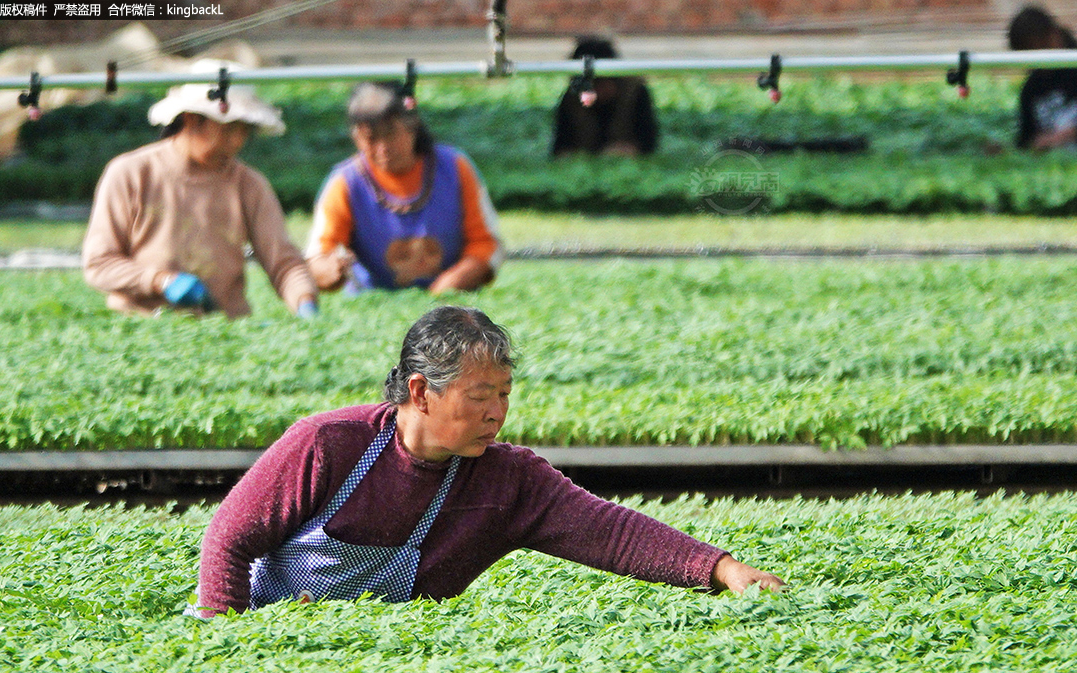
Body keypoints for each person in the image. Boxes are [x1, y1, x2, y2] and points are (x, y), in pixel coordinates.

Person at [190, 306, 784, 617]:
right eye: (480, 397)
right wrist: (233, 650)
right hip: (281, 646)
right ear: (421, 392)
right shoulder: (329, 444)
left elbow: (607, 529)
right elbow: (227, 540)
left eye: (504, 394)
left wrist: (721, 570)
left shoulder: (506, 479)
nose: (497, 413)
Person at [82, 61, 318, 319]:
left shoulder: (249, 185)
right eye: (228, 129)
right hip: (139, 323)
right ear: (191, 119)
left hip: (224, 327)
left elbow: (283, 262)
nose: (237, 142)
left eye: (244, 131)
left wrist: (304, 301)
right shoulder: (130, 174)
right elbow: (99, 264)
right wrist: (161, 281)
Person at [305, 81, 503, 294]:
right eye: (370, 139)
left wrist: (450, 285)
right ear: (356, 137)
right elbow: (317, 259)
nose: (383, 149)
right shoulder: (344, 182)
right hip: (372, 303)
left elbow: (486, 244)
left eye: (390, 134)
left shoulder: (456, 168)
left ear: (412, 125)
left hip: (452, 302)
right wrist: (330, 270)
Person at [552, 36, 660, 158]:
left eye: (599, 82)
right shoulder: (571, 99)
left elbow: (648, 143)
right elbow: (560, 148)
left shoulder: (635, 93)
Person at [1009, 5, 1077, 151]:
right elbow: (1026, 140)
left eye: (1043, 46)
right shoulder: (1031, 90)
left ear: (1055, 34)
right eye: (1032, 52)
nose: (1041, 60)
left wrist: (1064, 135)